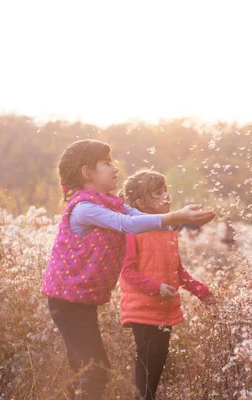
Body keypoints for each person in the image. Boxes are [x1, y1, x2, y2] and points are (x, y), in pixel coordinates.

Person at [41, 140, 215, 399]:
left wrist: (179, 219)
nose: (115, 169)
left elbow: (137, 217)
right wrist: (178, 216)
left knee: (82, 370)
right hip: (66, 303)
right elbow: (127, 224)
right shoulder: (84, 208)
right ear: (87, 172)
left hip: (80, 302)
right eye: (107, 163)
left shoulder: (111, 202)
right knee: (97, 371)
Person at [119, 169, 216, 400]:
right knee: (146, 366)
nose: (166, 197)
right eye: (157, 193)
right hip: (142, 311)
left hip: (165, 310)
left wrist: (202, 292)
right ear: (141, 203)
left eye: (165, 191)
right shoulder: (132, 232)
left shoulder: (169, 233)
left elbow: (178, 272)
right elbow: (127, 272)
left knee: (157, 367)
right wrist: (156, 288)